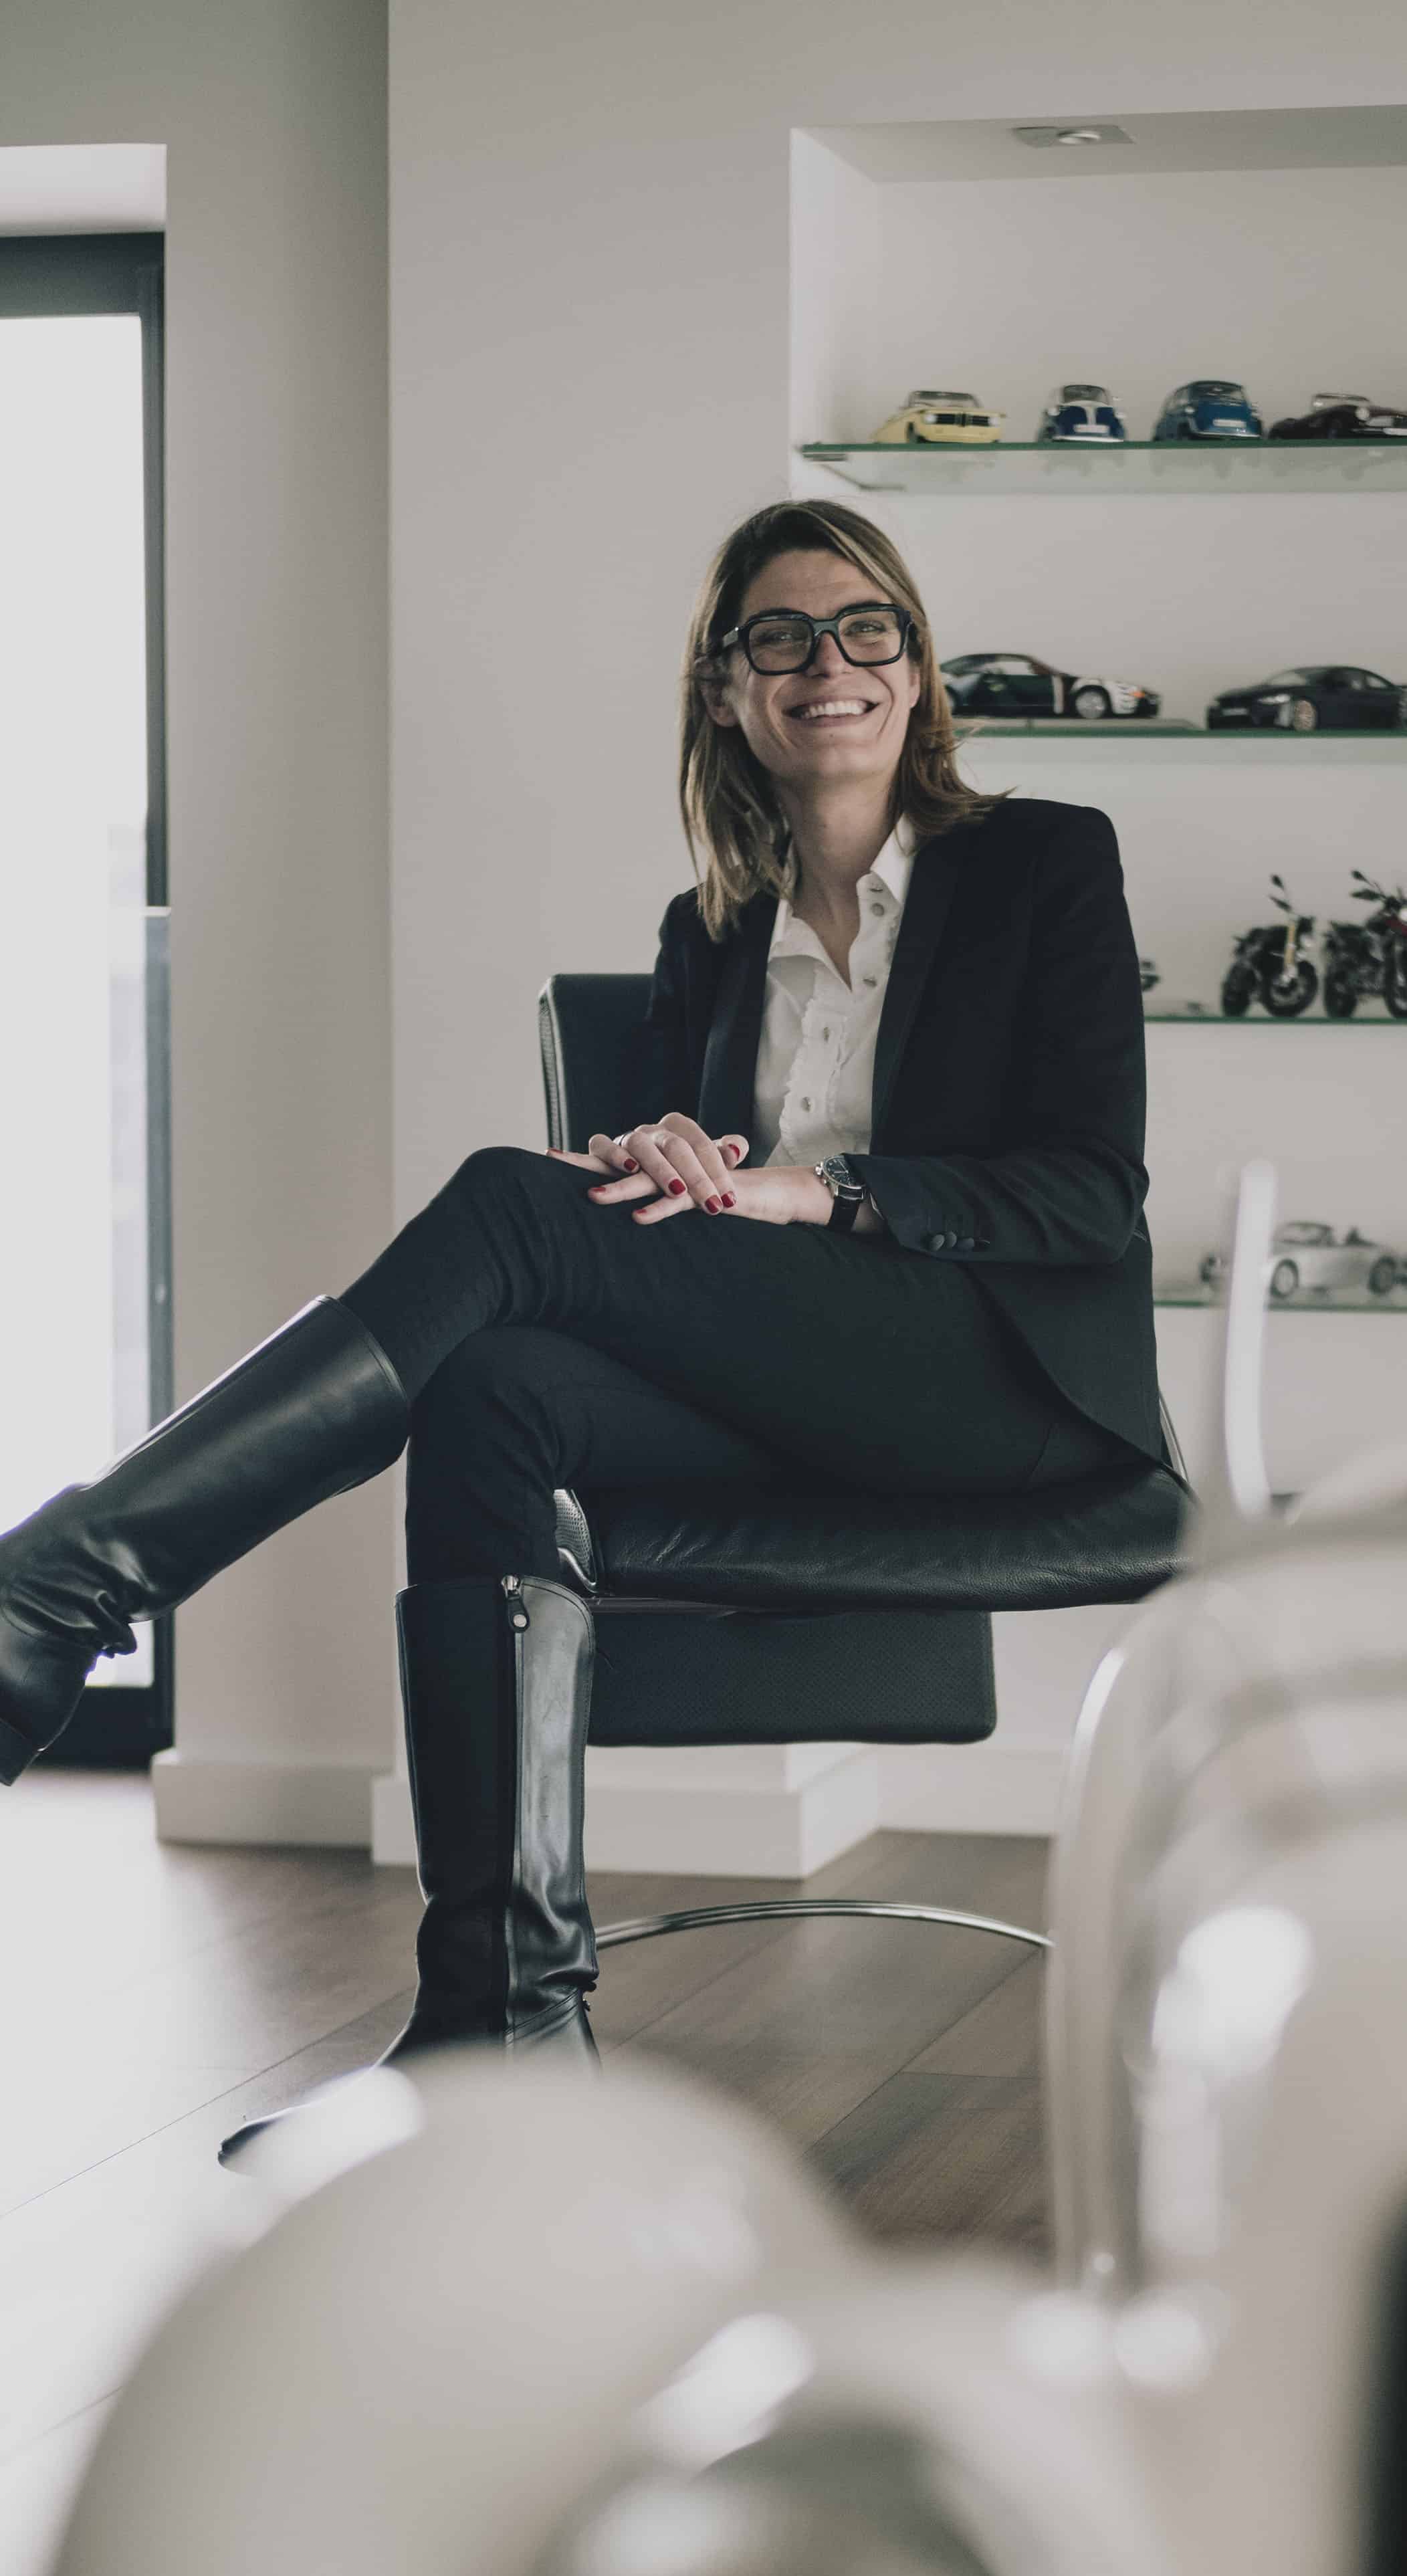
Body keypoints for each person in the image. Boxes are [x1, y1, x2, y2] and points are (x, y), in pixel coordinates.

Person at [0, 496, 1168, 2149]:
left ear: (915, 669)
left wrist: (815, 1193)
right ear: (725, 689)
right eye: (778, 635)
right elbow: (660, 1226)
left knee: (504, 1202)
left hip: (1004, 1392)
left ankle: (54, 1590)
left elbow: (1088, 1194)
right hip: (796, 1385)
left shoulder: (1041, 863)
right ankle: (502, 2025)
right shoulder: (709, 934)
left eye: (866, 627)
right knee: (494, 1386)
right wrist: (666, 1153)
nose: (826, 661)